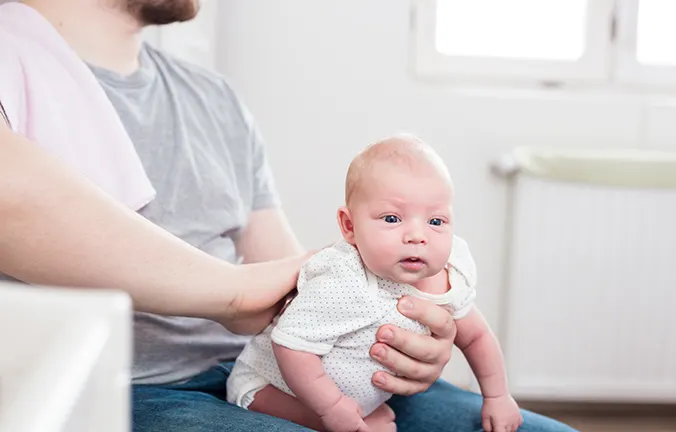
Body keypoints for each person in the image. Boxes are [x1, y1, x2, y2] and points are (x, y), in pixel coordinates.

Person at [0, 0, 577, 431]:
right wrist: (234, 294)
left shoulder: (214, 99)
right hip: (129, 388)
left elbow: (284, 280)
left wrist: (412, 352)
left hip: (265, 365)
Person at [229, 135, 524, 432]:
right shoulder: (343, 280)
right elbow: (290, 345)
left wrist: (497, 396)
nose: (417, 236)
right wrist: (332, 407)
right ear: (349, 226)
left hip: (365, 395)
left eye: (435, 222)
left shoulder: (449, 277)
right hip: (268, 388)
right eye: (393, 218)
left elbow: (476, 337)